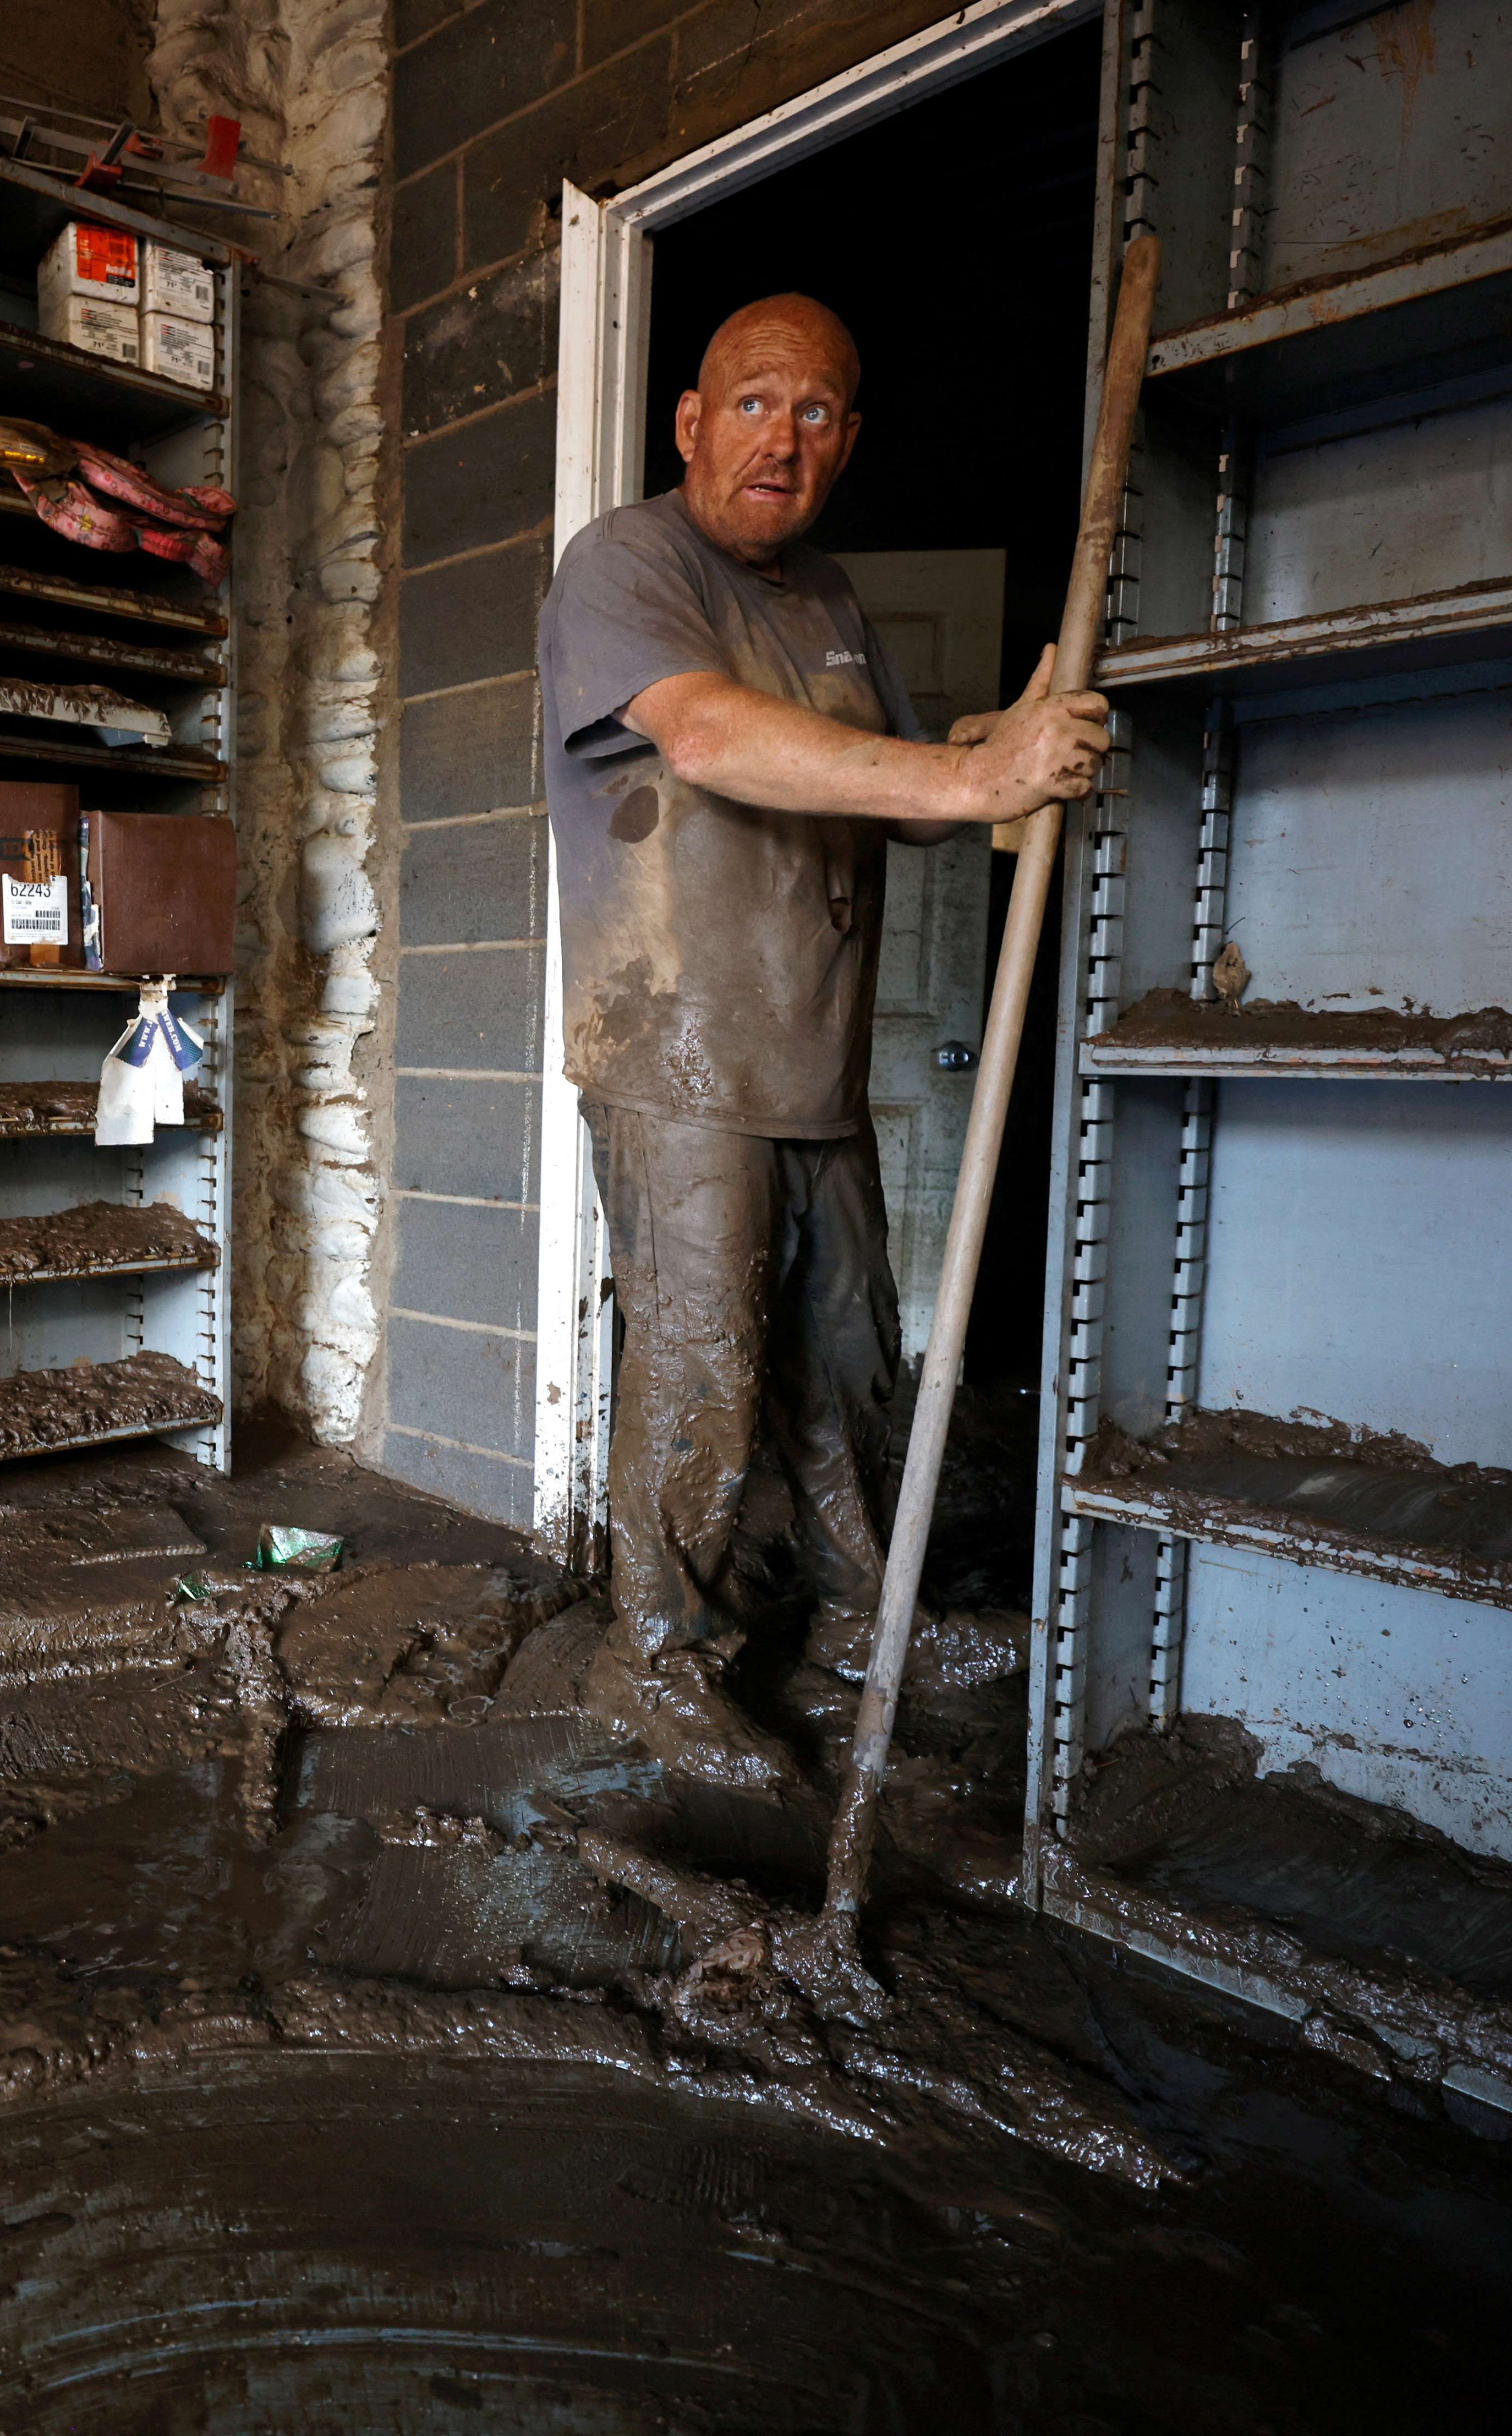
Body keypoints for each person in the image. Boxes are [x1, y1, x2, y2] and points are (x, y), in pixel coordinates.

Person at [535, 292, 1111, 1787]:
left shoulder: (833, 603)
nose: (778, 440)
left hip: (814, 1073)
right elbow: (713, 739)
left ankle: (865, 1625)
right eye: (750, 403)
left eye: (814, 413)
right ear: (687, 420)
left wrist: (1018, 746)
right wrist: (967, 780)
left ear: (849, 441)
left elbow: (916, 776)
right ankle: (648, 1667)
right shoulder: (626, 564)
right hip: (678, 1069)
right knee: (703, 1379)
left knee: (847, 1375)